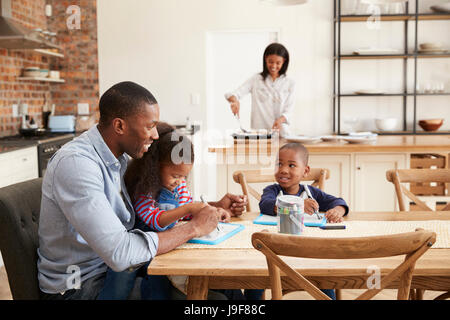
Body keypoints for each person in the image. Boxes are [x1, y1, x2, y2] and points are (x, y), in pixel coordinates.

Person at [37, 81, 247, 300]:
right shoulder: (77, 165)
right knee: (215, 300)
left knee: (228, 287)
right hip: (82, 286)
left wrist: (213, 206)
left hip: (113, 270)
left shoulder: (118, 159)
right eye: (150, 126)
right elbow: (120, 252)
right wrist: (193, 228)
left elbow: (155, 206)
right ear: (120, 126)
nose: (156, 134)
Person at [97, 122, 233, 299]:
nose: (180, 181)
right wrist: (188, 208)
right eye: (175, 175)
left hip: (168, 244)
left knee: (169, 278)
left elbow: (190, 212)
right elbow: (155, 220)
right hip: (143, 244)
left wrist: (214, 210)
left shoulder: (180, 186)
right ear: (155, 166)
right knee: (142, 283)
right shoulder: (144, 190)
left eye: (184, 176)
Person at [225, 42, 296, 137]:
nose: (274, 66)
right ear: (265, 59)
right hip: (259, 134)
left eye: (278, 63)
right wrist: (234, 101)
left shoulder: (290, 83)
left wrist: (281, 120)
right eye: (270, 62)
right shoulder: (256, 79)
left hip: (282, 134)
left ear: (284, 61)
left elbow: (289, 110)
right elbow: (234, 94)